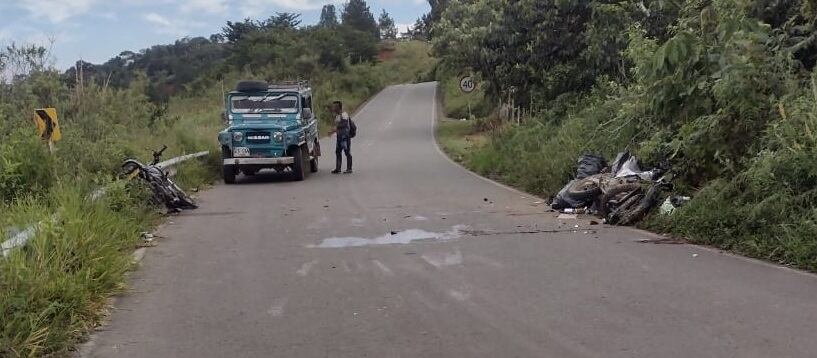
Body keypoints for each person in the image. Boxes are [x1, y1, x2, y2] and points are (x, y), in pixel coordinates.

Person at [329, 101, 352, 174]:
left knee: (347, 152)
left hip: (345, 137)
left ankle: (349, 168)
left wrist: (336, 127)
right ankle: (338, 168)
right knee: (338, 152)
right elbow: (338, 126)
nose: (333, 108)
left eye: (335, 106)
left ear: (339, 107)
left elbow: (344, 124)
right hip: (339, 137)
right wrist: (332, 131)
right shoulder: (337, 115)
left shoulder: (344, 114)